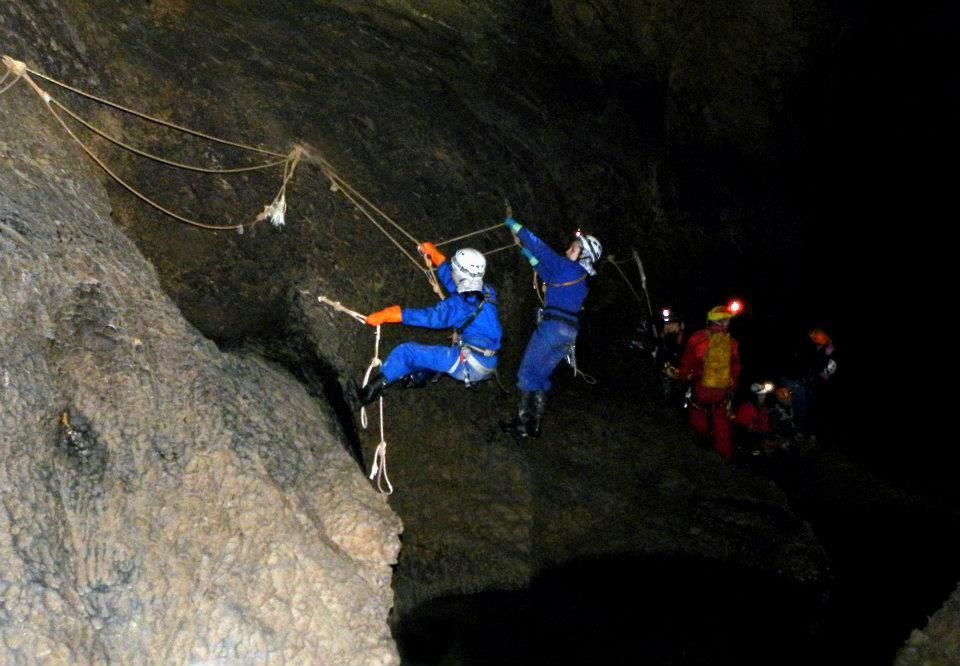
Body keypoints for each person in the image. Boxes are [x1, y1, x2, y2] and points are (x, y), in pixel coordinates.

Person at [356, 242, 501, 405]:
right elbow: (458, 284)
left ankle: (367, 393)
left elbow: (432, 317)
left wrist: (394, 314)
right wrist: (438, 259)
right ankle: (415, 377)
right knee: (425, 357)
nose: (452, 271)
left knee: (406, 353)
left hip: (469, 363)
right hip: (487, 360)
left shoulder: (459, 305)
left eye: (453, 269)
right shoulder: (487, 291)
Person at [501, 216, 602, 438]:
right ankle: (534, 424)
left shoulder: (568, 268)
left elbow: (543, 250)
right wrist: (527, 256)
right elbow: (548, 274)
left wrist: (518, 228)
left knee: (527, 373)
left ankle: (522, 425)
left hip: (552, 329)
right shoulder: (581, 278)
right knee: (540, 376)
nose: (568, 251)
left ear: (583, 255)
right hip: (568, 335)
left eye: (573, 249)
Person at [675, 305, 742, 460]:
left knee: (697, 424)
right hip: (720, 394)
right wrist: (732, 386)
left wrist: (684, 378)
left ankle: (699, 458)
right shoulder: (731, 343)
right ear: (724, 322)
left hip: (701, 390)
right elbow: (736, 367)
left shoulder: (698, 337)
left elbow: (686, 363)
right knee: (722, 429)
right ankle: (725, 460)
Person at [782, 328, 837, 440]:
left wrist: (826, 352)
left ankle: (809, 432)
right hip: (792, 379)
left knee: (811, 403)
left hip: (806, 381)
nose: (824, 339)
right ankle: (799, 431)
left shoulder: (823, 349)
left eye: (826, 338)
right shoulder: (805, 343)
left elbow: (822, 370)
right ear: (815, 334)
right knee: (802, 401)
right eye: (823, 336)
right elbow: (807, 363)